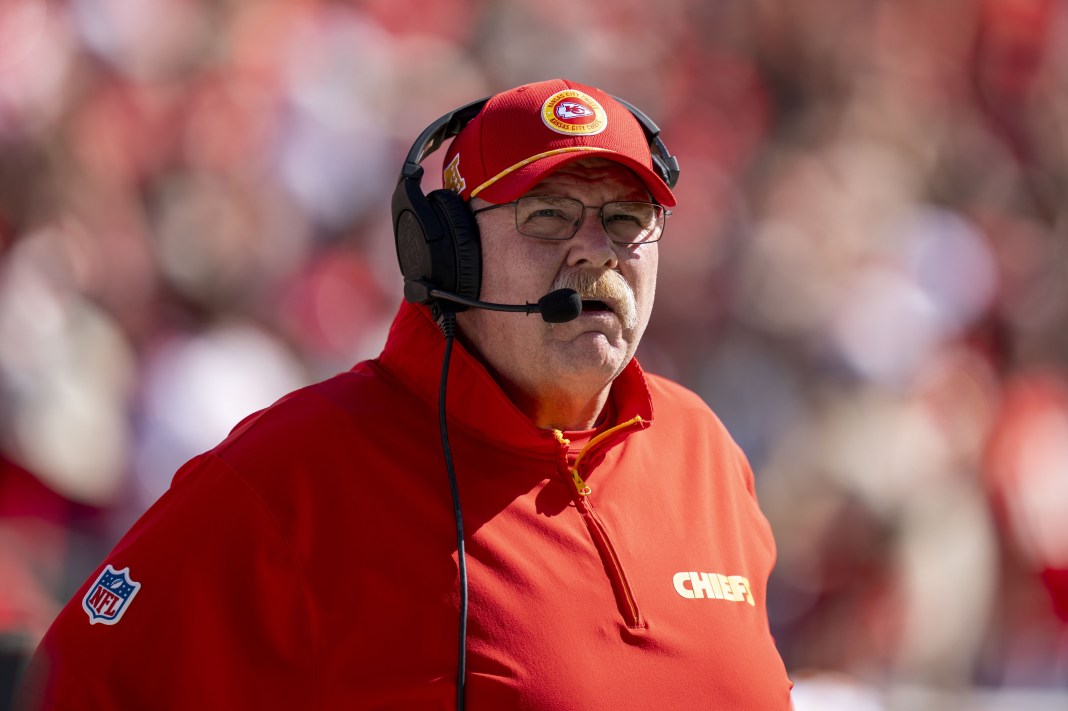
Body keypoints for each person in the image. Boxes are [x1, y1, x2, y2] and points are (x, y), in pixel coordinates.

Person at [17, 79, 793, 709]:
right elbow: (78, 684)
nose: (598, 251)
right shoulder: (291, 476)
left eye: (627, 220)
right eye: (549, 215)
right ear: (444, 250)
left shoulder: (706, 452)